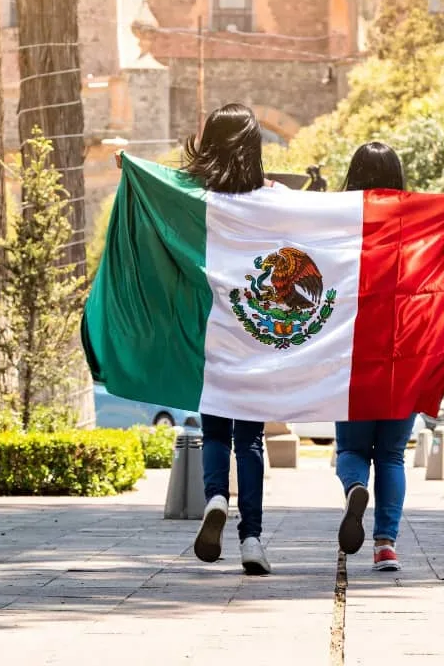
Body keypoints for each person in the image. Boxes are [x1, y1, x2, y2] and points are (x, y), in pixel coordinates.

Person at [118, 104, 277, 575]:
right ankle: (252, 538)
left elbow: (155, 188)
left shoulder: (192, 195)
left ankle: (214, 498)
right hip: (253, 332)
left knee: (215, 430)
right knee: (249, 440)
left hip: (208, 334)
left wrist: (130, 167)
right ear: (253, 145)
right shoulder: (272, 198)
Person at [334, 142, 414, 572]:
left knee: (351, 447)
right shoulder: (418, 223)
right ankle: (386, 545)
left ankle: (354, 486)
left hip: (352, 355)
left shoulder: (337, 220)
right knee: (392, 455)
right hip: (404, 355)